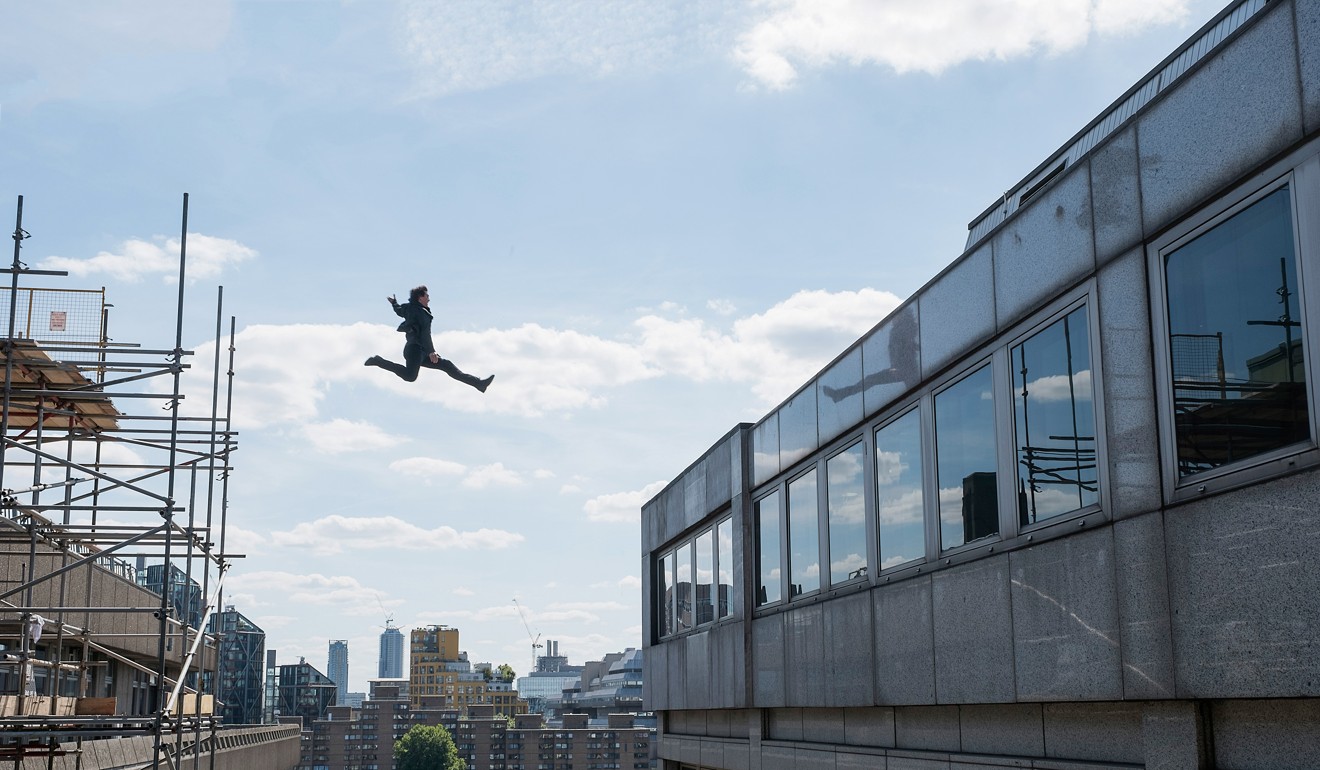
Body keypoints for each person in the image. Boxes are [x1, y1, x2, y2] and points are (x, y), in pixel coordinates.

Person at [364, 285, 494, 393]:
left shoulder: (409, 308)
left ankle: (479, 384)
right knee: (410, 376)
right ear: (420, 298)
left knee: (446, 365)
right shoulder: (422, 312)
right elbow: (426, 333)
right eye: (427, 296)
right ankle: (378, 361)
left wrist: (394, 303)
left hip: (419, 351)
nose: (429, 299)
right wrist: (432, 351)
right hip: (416, 349)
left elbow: (399, 311)